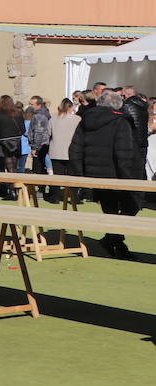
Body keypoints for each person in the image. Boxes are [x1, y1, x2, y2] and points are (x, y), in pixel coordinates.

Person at [71, 90, 139, 259]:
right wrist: (128, 178)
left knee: (111, 210)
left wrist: (81, 174)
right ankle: (114, 241)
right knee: (134, 203)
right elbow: (123, 152)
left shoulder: (86, 120)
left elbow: (75, 149)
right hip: (116, 174)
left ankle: (113, 242)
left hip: (95, 174)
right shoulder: (120, 121)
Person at [0, 95, 25, 197]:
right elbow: (23, 130)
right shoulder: (18, 114)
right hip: (17, 143)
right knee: (14, 168)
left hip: (3, 145)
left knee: (4, 168)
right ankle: (15, 189)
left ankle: (9, 190)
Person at [120, 86, 150, 181]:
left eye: (123, 95)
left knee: (131, 171)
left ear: (127, 94)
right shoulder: (143, 106)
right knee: (141, 168)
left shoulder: (127, 105)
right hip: (142, 140)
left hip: (132, 142)